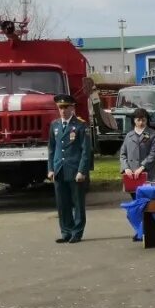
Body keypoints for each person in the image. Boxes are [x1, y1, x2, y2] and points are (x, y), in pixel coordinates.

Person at [47, 94, 93, 244]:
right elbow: (52, 149)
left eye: (66, 107)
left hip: (74, 170)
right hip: (59, 169)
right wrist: (51, 168)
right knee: (62, 203)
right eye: (60, 107)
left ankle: (77, 232)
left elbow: (86, 151)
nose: (63, 110)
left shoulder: (80, 125)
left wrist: (82, 170)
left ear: (72, 107)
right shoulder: (55, 125)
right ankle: (66, 231)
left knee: (77, 203)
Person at [119, 108, 155, 240]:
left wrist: (142, 166)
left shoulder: (152, 135)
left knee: (147, 204)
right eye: (138, 119)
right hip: (132, 177)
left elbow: (154, 154)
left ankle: (147, 231)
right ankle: (139, 230)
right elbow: (123, 154)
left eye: (143, 119)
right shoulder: (129, 135)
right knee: (136, 205)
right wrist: (126, 168)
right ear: (134, 121)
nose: (141, 122)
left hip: (147, 175)